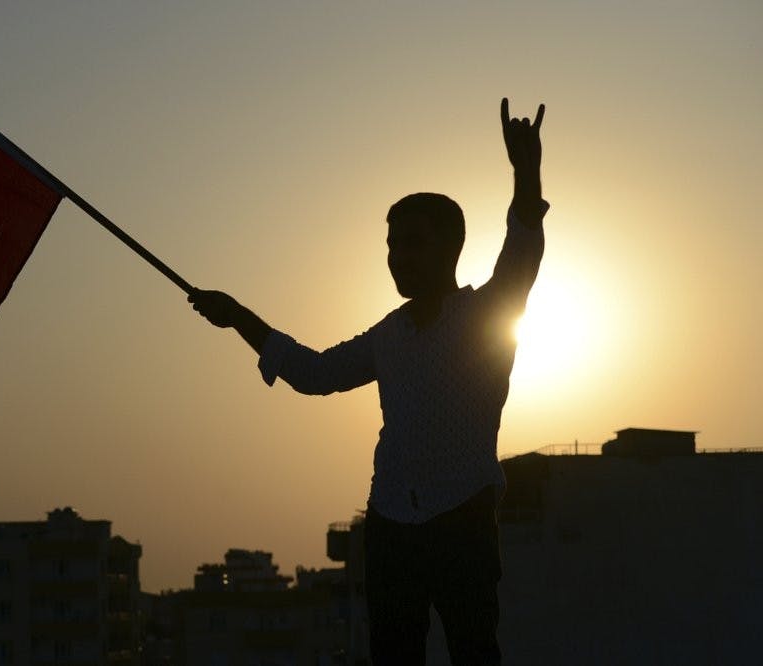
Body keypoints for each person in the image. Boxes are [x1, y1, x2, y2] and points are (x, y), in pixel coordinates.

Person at [188, 98, 547, 665]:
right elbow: (313, 373)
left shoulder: (486, 314)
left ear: (450, 248)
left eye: (411, 242)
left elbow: (522, 251)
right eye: (390, 245)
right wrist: (238, 318)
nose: (397, 257)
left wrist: (526, 175)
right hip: (391, 527)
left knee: (474, 652)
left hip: (463, 520)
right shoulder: (388, 335)